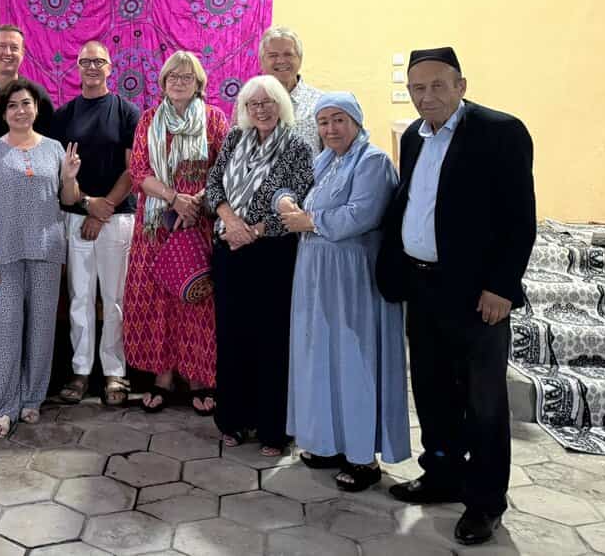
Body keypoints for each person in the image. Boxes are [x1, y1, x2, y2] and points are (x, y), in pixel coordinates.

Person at [376, 47, 535, 547]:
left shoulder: (500, 131)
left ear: (461, 85)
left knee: (483, 403)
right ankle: (441, 474)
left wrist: (501, 287)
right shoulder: (413, 137)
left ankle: (485, 502)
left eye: (438, 85)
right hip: (424, 287)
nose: (428, 96)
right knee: (432, 389)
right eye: (418, 88)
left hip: (476, 294)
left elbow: (519, 218)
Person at [280, 92, 410, 489]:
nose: (331, 129)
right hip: (318, 276)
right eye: (323, 122)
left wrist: (308, 221)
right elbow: (293, 193)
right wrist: (286, 201)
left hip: (353, 278)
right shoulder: (326, 160)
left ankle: (362, 458)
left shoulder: (372, 162)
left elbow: (362, 214)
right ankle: (330, 442)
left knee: (355, 361)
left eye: (339, 120)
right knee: (322, 356)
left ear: (356, 122)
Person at [205, 75, 313, 455]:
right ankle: (233, 419)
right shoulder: (235, 138)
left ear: (281, 105)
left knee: (272, 339)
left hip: (273, 255)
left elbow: (301, 196)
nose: (261, 109)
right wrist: (232, 224)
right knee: (233, 336)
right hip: (229, 249)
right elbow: (214, 185)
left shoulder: (297, 146)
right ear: (246, 109)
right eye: (254, 103)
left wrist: (256, 230)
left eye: (268, 102)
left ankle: (273, 428)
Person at [0, 79, 83, 438]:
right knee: (4, 330)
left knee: (41, 328)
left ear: (36, 108)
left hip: (47, 250)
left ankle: (32, 399)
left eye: (26, 103)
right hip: (3, 254)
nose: (21, 110)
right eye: (13, 105)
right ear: (4, 113)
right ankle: (1, 407)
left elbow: (68, 198)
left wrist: (70, 177)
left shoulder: (54, 149)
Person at [123, 51, 229, 416]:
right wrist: (173, 198)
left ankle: (199, 378)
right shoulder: (149, 121)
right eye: (173, 76)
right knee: (159, 301)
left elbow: (223, 172)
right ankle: (163, 377)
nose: (179, 82)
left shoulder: (215, 120)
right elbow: (138, 172)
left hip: (198, 224)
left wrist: (194, 202)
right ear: (163, 82)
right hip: (156, 227)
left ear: (199, 83)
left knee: (197, 297)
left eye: (187, 77)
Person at [51, 41, 140, 407]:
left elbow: (134, 168)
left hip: (118, 217)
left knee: (114, 298)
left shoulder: (126, 112)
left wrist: (105, 209)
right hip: (76, 215)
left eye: (97, 61)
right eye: (85, 61)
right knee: (80, 298)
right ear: (77, 66)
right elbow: (61, 173)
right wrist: (89, 206)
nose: (91, 67)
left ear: (109, 67)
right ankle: (81, 369)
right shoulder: (64, 115)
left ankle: (115, 370)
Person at [259, 27, 322, 155]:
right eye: (273, 55)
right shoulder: (248, 101)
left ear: (300, 59)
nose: (281, 61)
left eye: (288, 54)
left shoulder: (320, 102)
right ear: (262, 61)